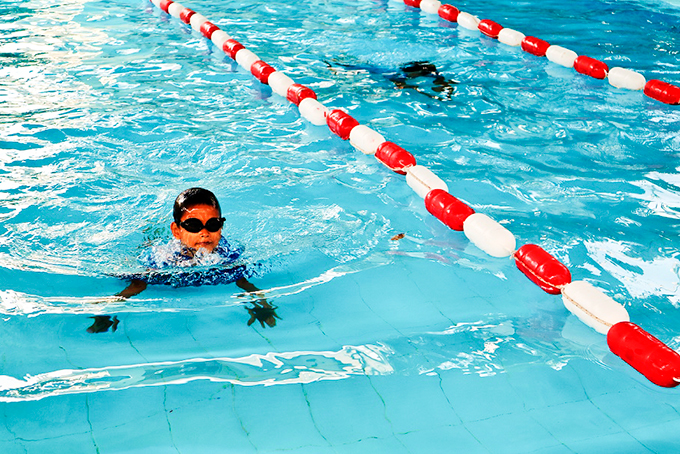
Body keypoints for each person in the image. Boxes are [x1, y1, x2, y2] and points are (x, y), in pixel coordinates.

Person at [90, 188, 279, 332]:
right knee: (149, 243)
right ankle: (149, 229)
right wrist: (107, 309)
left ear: (221, 227)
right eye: (193, 225)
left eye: (213, 225)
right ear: (177, 231)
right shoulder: (163, 259)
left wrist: (263, 306)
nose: (204, 233)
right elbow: (138, 284)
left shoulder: (228, 254)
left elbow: (243, 281)